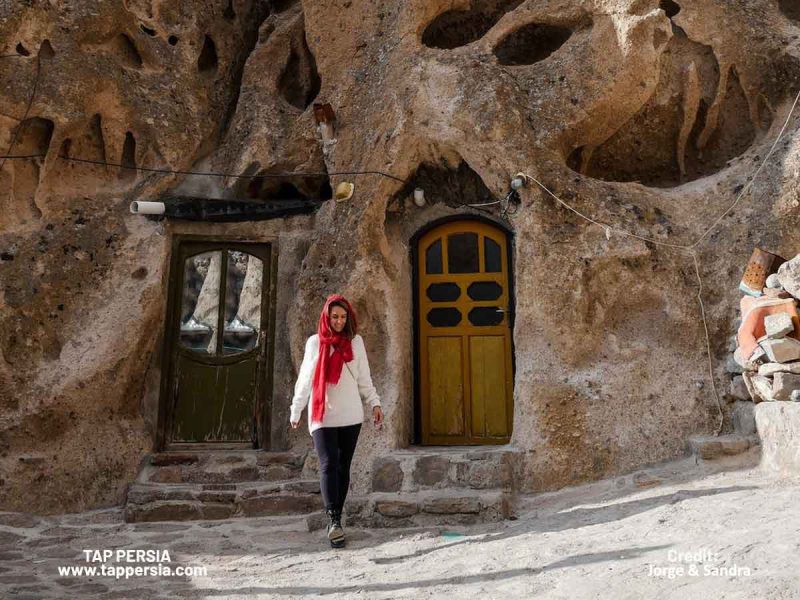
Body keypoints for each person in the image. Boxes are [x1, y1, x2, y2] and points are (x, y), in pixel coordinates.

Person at [289, 294, 384, 548]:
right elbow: (306, 378)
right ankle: (332, 518)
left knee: (343, 466)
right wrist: (296, 409)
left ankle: (337, 519)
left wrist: (374, 402)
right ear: (326, 317)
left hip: (351, 414)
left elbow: (364, 377)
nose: (339, 321)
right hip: (323, 415)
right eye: (335, 317)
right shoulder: (314, 343)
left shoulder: (356, 342)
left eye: (343, 317)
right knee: (328, 463)